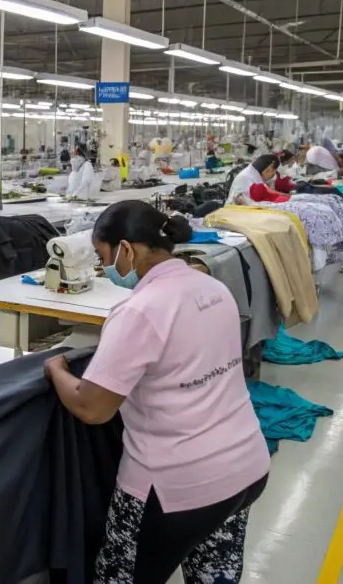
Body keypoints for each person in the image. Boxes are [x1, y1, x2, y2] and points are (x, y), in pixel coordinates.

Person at [45, 201, 269, 584]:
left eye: (104, 258)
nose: (105, 269)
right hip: (246, 467)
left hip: (173, 487)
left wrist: (55, 367)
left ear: (126, 249)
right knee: (213, 576)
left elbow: (92, 407)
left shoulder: (140, 311)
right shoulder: (214, 289)